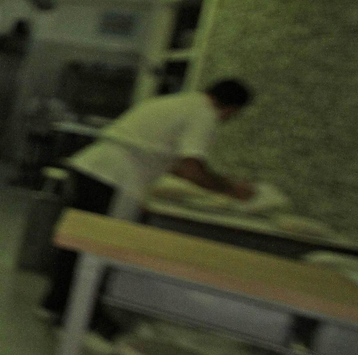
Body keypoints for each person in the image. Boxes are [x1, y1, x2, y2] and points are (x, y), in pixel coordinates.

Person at [40, 78, 256, 325]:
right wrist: (230, 189)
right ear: (231, 109)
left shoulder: (176, 102)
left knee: (76, 246)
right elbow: (191, 170)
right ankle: (79, 315)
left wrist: (222, 181)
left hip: (92, 167)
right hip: (113, 177)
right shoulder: (204, 114)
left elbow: (166, 160)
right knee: (95, 249)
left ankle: (57, 304)